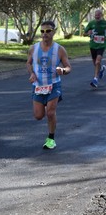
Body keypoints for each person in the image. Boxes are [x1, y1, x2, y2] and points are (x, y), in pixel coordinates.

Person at [27, 20, 71, 150]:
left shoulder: (60, 49)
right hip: (38, 86)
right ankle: (47, 107)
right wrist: (32, 74)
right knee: (39, 116)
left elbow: (68, 67)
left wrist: (63, 71)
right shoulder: (33, 48)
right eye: (42, 31)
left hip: (53, 85)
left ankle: (51, 139)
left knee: (50, 113)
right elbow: (28, 63)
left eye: (48, 31)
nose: (44, 34)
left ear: (54, 32)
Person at [83, 8, 106, 88]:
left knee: (97, 61)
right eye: (95, 15)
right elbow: (84, 34)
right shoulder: (91, 23)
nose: (97, 16)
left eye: (98, 15)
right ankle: (102, 69)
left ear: (101, 15)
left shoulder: (104, 23)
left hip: (101, 45)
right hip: (93, 45)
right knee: (95, 63)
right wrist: (88, 33)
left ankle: (95, 79)